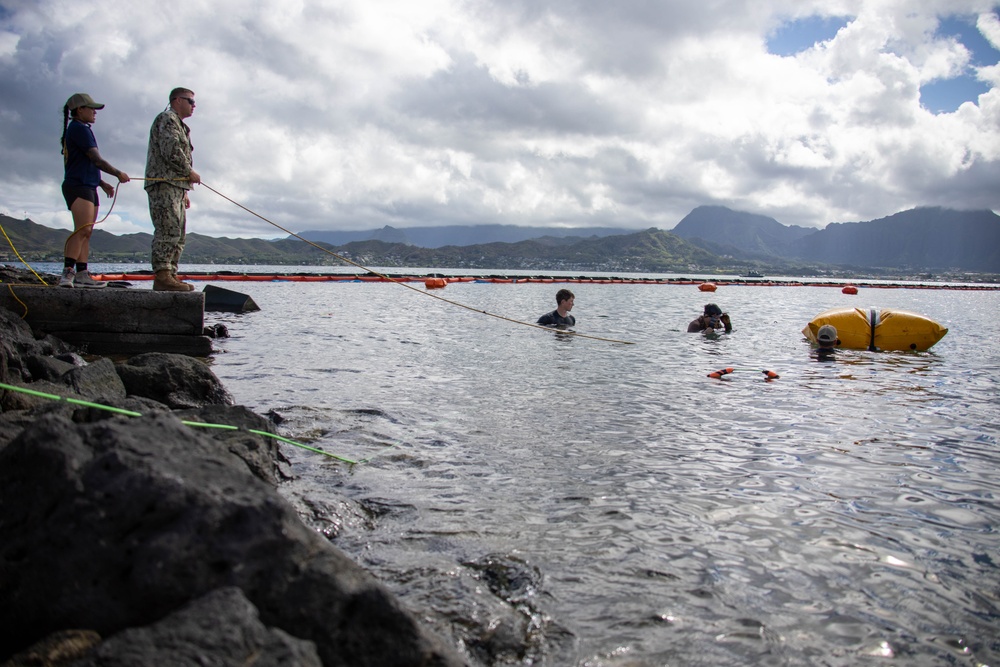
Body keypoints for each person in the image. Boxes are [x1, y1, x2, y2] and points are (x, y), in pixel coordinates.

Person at [59, 93, 130, 288]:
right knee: (82, 230)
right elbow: (96, 159)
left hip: (89, 185)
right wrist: (117, 173)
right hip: (78, 185)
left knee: (87, 232)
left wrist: (101, 182)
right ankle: (68, 273)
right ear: (80, 110)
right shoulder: (78, 129)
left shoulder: (81, 129)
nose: (95, 113)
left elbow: (83, 163)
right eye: (92, 109)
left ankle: (82, 273)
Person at [145, 87, 201, 291]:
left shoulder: (181, 125)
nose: (194, 106)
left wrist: (185, 190)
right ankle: (162, 275)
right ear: (177, 100)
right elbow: (171, 151)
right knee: (167, 230)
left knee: (178, 233)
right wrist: (189, 172)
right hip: (164, 183)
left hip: (176, 186)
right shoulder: (167, 119)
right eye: (190, 101)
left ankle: (171, 274)